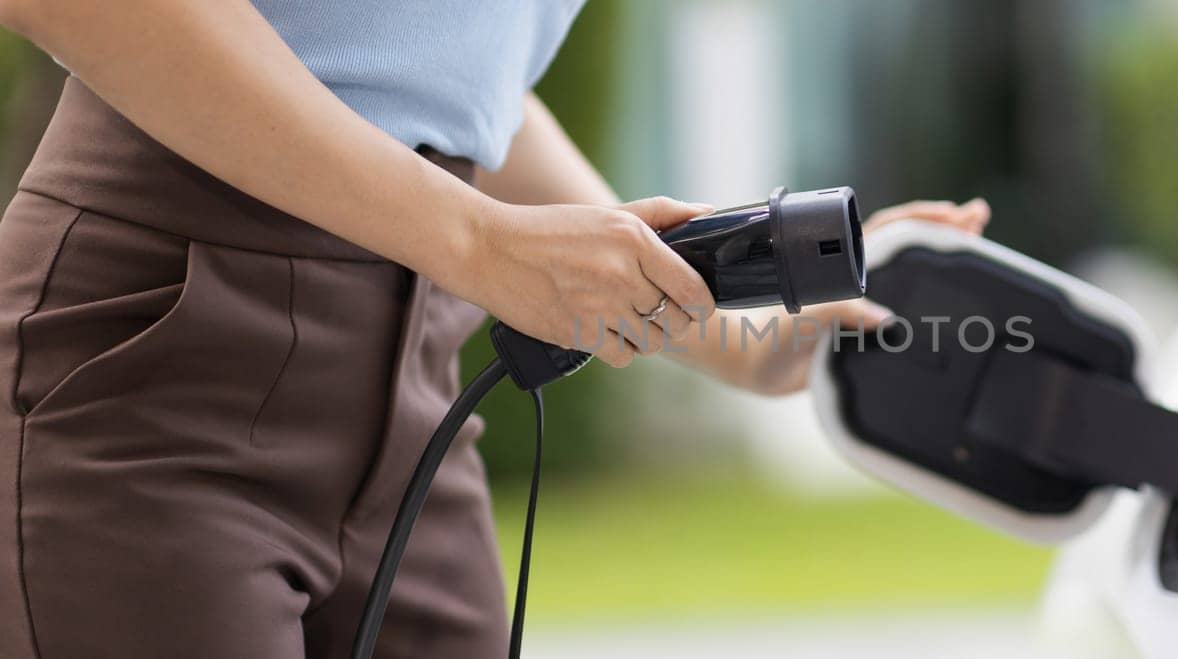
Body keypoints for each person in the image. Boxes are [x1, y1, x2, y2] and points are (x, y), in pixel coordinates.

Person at [0, 1, 992, 658]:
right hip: (159, 363)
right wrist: (476, 240)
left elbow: (458, 89)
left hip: (415, 394)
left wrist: (728, 337)